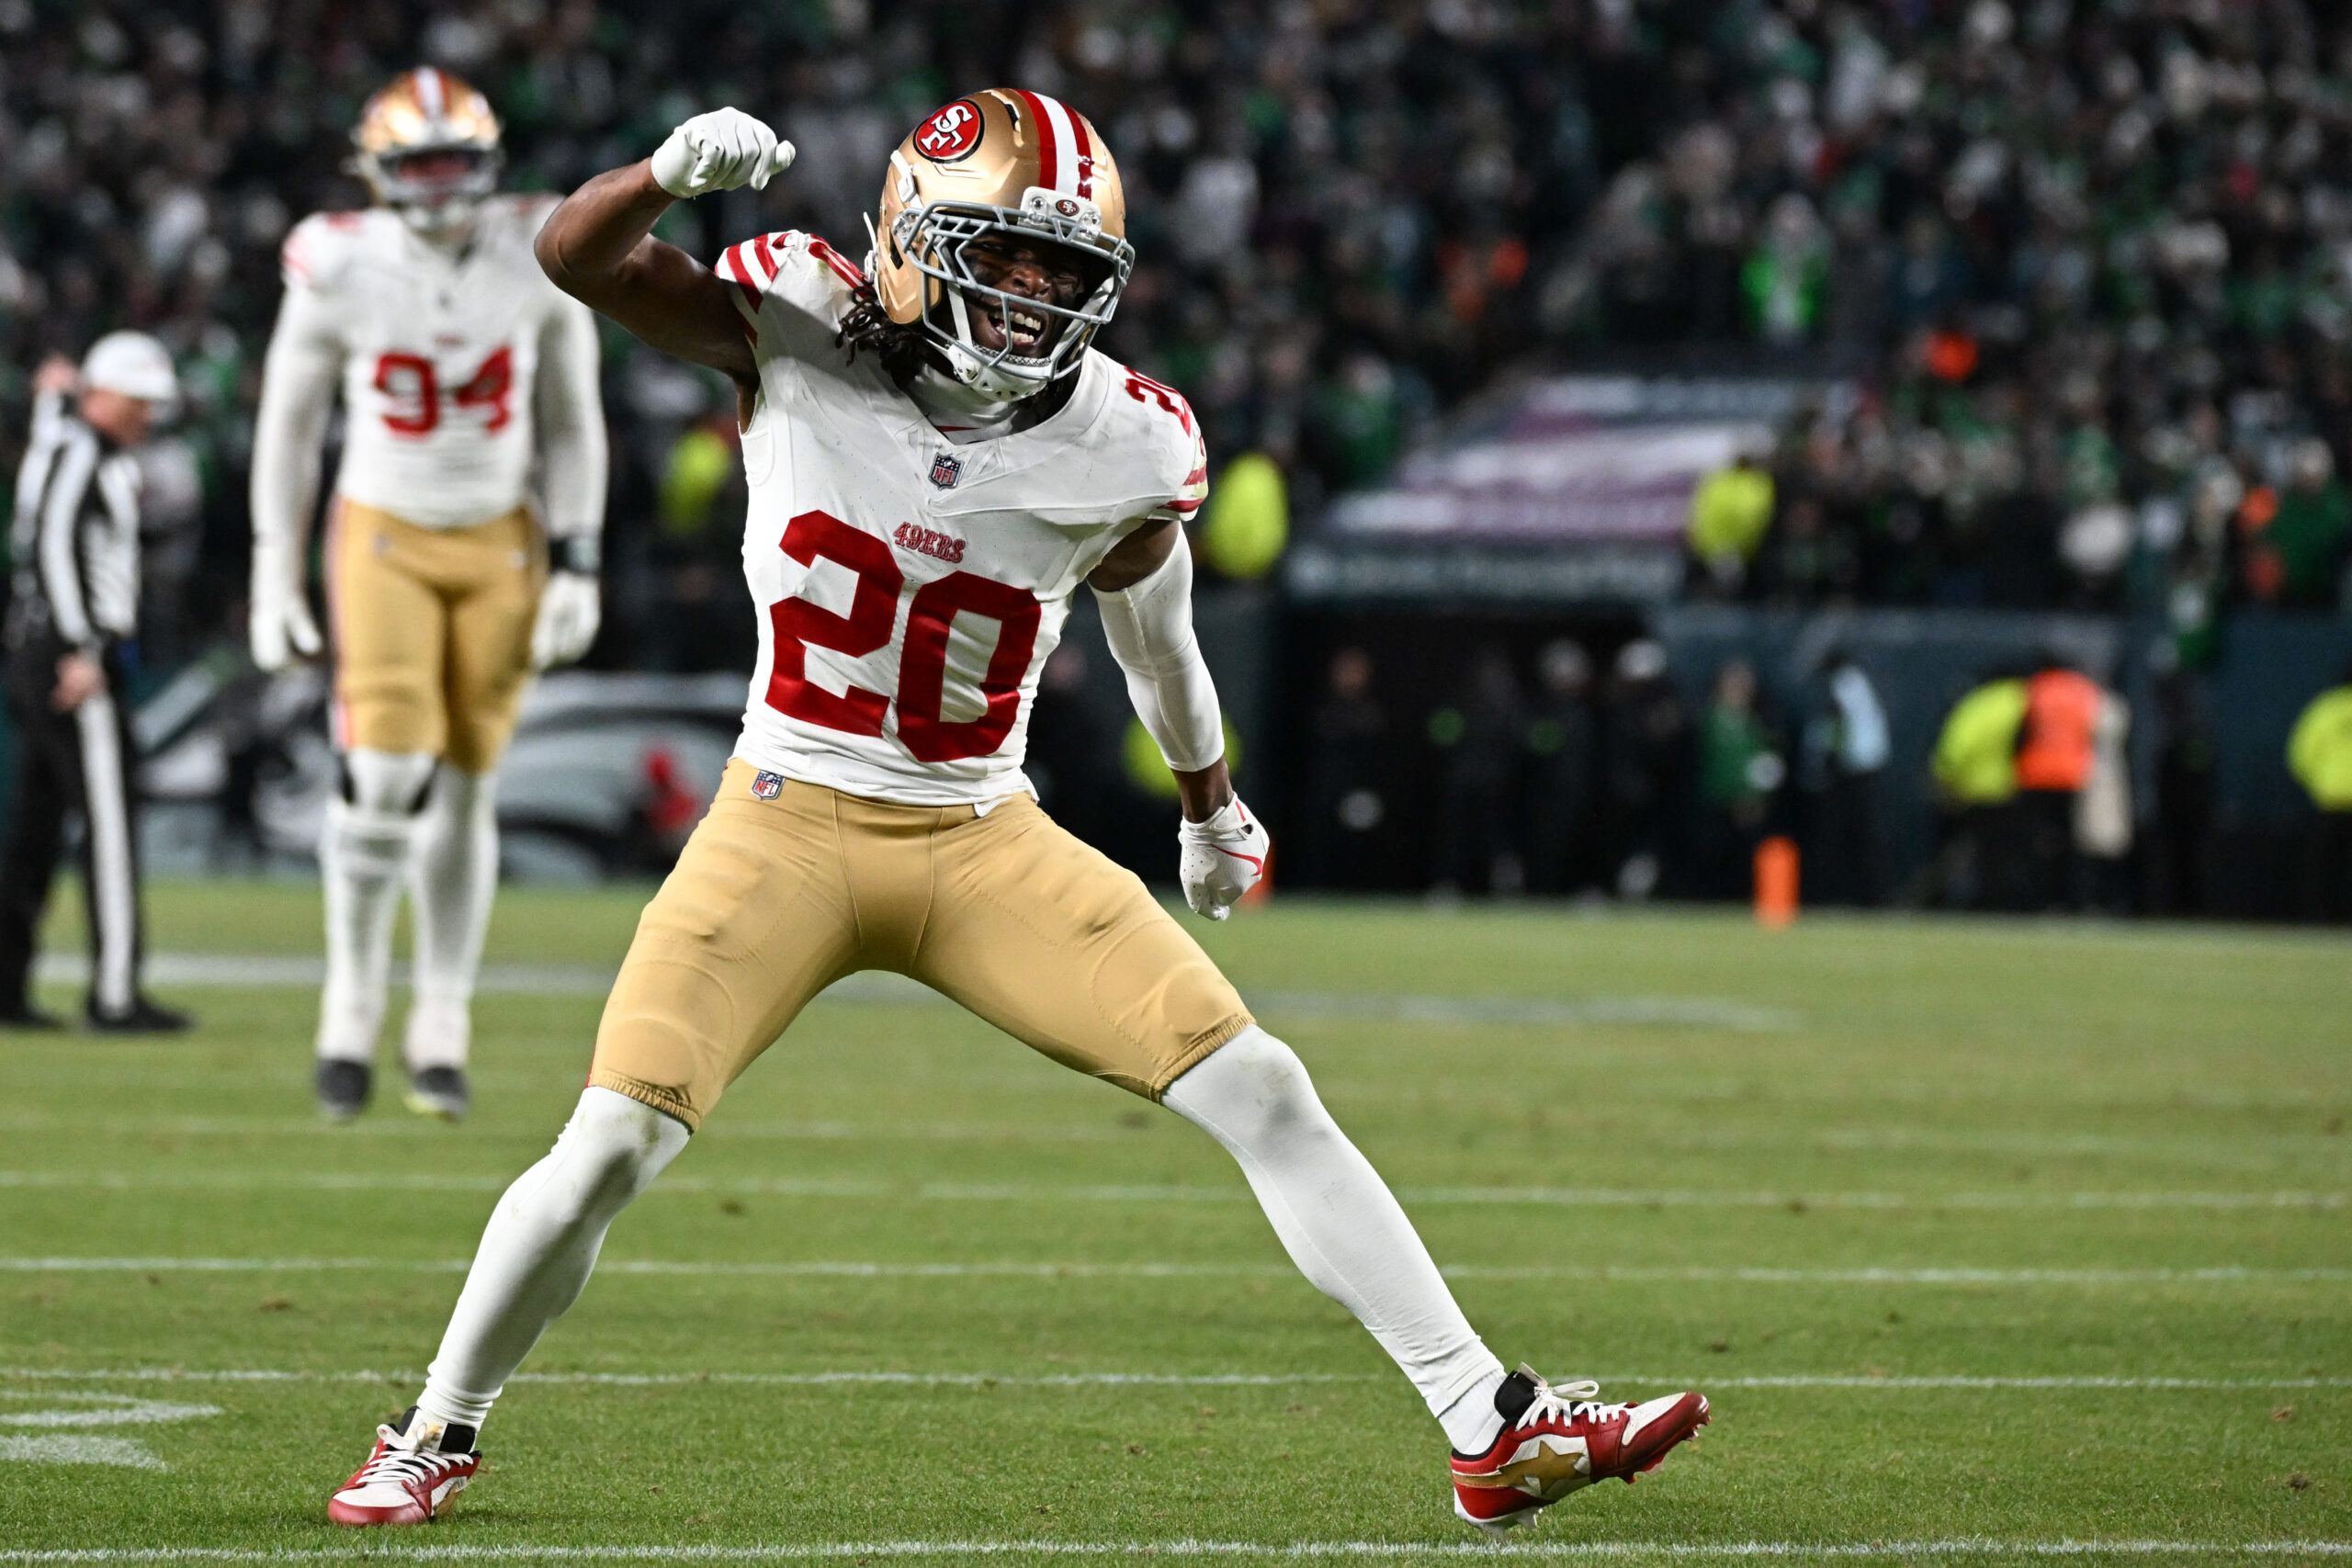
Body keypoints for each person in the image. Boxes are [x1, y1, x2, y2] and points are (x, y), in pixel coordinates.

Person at [321, 96, 1706, 1535]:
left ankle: (1490, 1421)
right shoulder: (797, 323)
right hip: (781, 817)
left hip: (979, 834)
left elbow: (1160, 645)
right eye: (1004, 258)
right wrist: (664, 174)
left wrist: (1210, 802)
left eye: (1063, 270)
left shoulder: (1126, 440)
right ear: (911, 239)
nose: (1033, 297)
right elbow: (575, 257)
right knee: (611, 1141)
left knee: (1262, 1085)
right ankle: (433, 1427)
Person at [248, 68, 609, 1122]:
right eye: (422, 164)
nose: (442, 185)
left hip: (501, 535)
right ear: (379, 172)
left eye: (457, 162)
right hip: (386, 528)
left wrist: (579, 558)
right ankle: (350, 1004)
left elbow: (572, 419)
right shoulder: (339, 262)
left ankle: (442, 1019)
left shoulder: (538, 250)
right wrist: (272, 565)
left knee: (467, 780)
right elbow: (287, 424)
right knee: (385, 767)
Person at [0, 338, 192, 1032]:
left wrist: (54, 396)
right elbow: (55, 546)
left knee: (36, 825)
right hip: (69, 656)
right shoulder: (81, 451)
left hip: (40, 648)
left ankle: (6, 985)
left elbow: (53, 417)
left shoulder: (64, 438)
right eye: (138, 401)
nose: (148, 416)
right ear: (103, 396)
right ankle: (115, 994)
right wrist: (82, 649)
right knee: (110, 818)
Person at [2287, 665, 2352, 921]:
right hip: (2332, 806)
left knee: (2326, 873)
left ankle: (2324, 922)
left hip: (2332, 804)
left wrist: (2322, 787)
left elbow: (2299, 756)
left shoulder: (2325, 709)